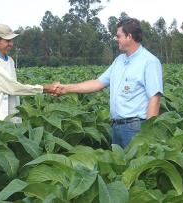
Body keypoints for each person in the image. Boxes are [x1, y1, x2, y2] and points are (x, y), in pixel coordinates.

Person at [54, 18, 163, 148]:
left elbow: (155, 98)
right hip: (117, 126)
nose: (116, 39)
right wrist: (66, 88)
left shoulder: (149, 61)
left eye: (118, 36)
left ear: (129, 36)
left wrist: (147, 134)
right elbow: (97, 83)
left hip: (136, 128)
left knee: (136, 166)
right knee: (119, 167)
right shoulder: (119, 60)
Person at [0, 24, 57, 123]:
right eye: (7, 40)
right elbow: (12, 87)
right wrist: (45, 88)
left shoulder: (10, 61)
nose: (11, 44)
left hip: (12, 116)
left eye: (11, 40)